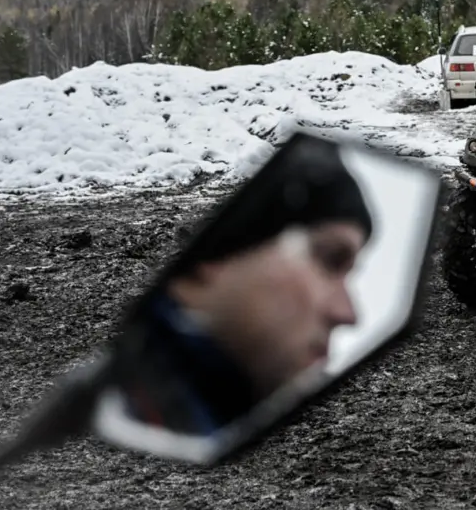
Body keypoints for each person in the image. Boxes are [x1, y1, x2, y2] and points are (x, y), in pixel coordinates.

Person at [117, 142, 375, 436]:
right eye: (330, 259)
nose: (348, 314)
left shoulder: (191, 410)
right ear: (217, 255)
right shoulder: (134, 399)